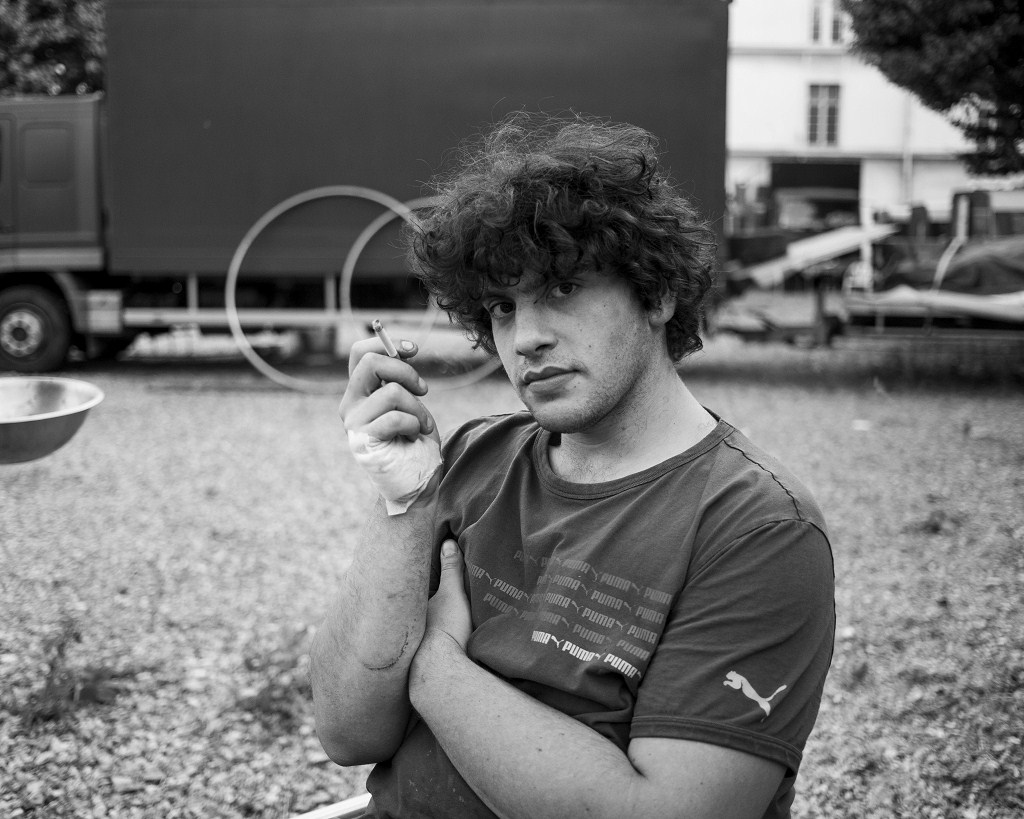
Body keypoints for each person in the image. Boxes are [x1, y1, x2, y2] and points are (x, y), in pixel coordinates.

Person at [310, 113, 835, 819]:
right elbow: (347, 731)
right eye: (502, 306)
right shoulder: (471, 460)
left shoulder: (758, 528)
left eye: (561, 289)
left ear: (656, 293)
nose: (525, 338)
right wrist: (402, 501)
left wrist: (434, 667)